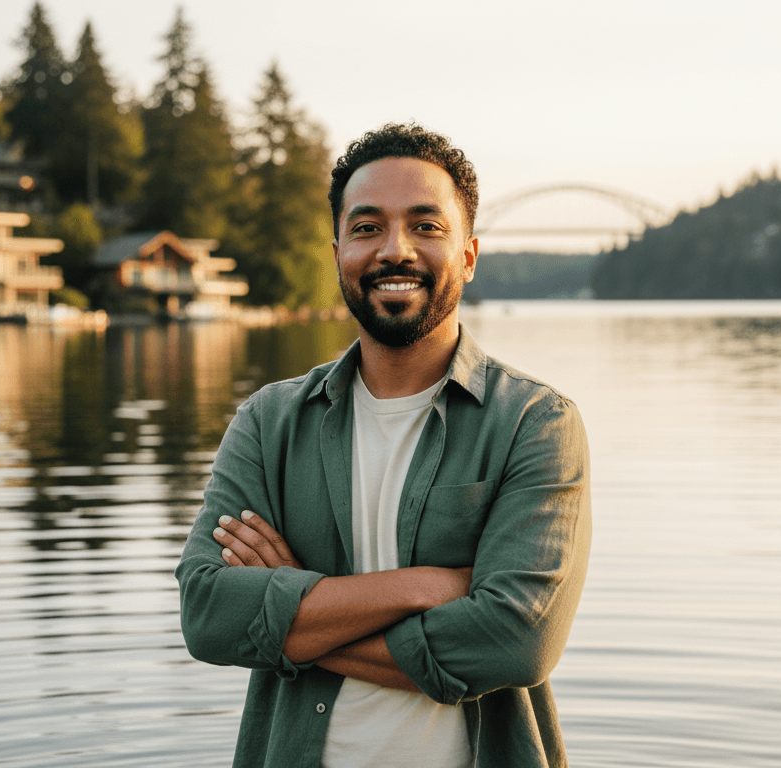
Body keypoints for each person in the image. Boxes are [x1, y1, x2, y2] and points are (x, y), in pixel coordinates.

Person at [176, 123, 590, 768]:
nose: (395, 250)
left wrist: (289, 619)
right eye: (368, 227)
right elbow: (207, 614)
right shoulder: (269, 422)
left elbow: (517, 641)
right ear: (337, 249)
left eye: (426, 226)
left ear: (470, 255)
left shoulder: (534, 424)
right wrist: (425, 586)